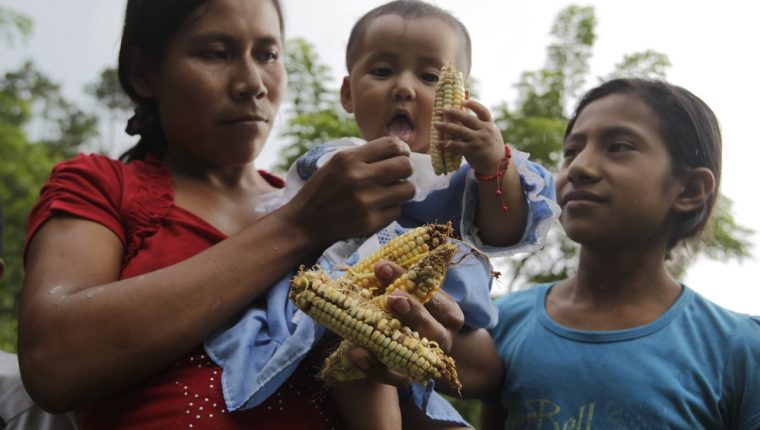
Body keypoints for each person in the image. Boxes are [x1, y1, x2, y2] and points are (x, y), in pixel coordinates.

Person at [17, 0, 464, 428]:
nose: (253, 82)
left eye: (268, 54)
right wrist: (298, 227)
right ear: (143, 72)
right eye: (216, 53)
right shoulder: (101, 185)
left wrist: (414, 343)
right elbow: (52, 363)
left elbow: (454, 375)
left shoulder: (341, 208)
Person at [202, 1, 559, 428]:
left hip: (438, 313)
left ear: (461, 99)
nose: (404, 88)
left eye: (430, 77)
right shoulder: (335, 163)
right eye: (383, 71)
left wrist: (492, 165)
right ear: (348, 94)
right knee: (357, 360)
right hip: (350, 303)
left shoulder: (465, 174)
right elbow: (285, 225)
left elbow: (504, 231)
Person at [439, 78, 760, 429]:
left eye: (619, 147)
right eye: (572, 151)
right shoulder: (503, 323)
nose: (578, 168)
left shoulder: (738, 350)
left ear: (691, 189)